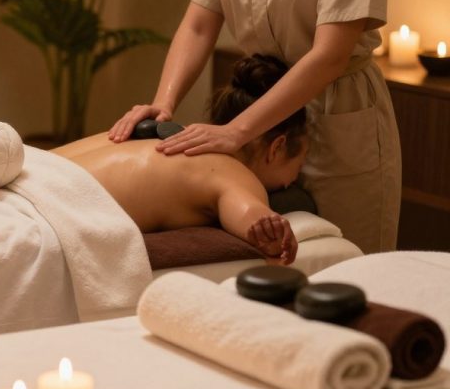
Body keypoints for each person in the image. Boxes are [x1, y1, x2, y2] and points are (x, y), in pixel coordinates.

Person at [106, 0, 400, 254]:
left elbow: (330, 55)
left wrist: (237, 131)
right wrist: (164, 102)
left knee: (345, 266)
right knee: (263, 256)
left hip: (335, 115)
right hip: (258, 113)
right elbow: (200, 25)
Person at [56, 54, 305, 264]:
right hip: (48, 210)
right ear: (277, 147)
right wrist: (273, 235)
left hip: (36, 170)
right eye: (299, 166)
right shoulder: (233, 172)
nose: (289, 184)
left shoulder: (165, 131)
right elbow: (250, 215)